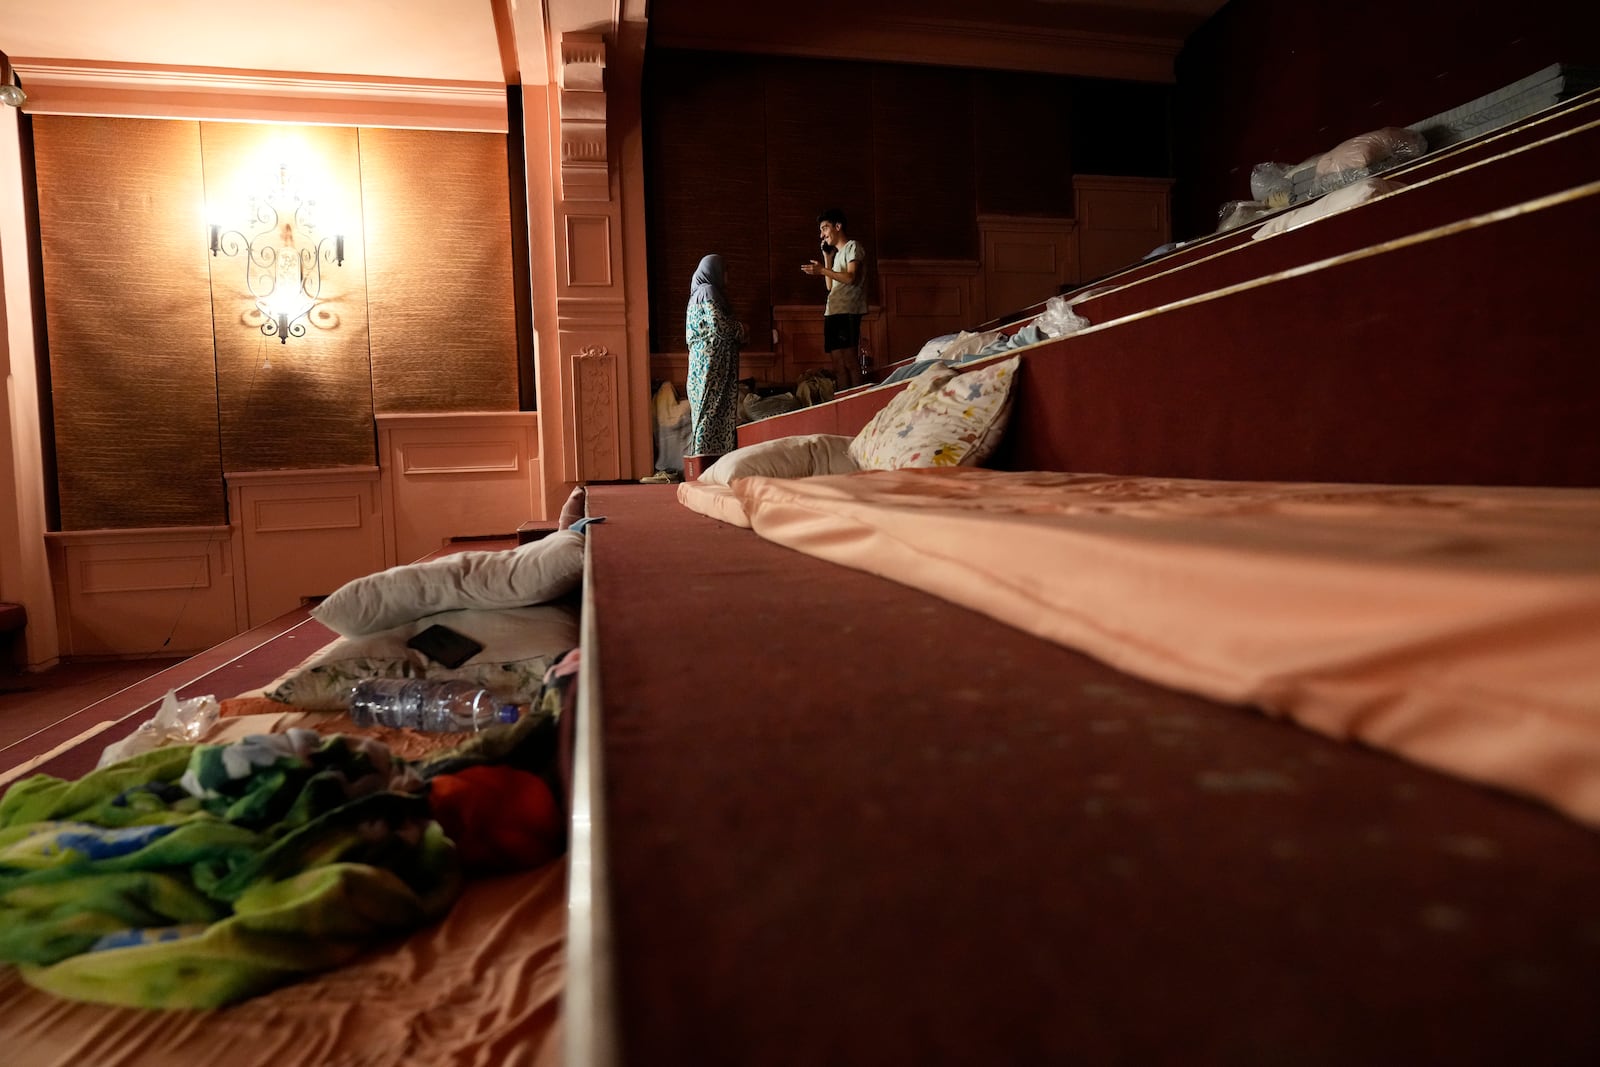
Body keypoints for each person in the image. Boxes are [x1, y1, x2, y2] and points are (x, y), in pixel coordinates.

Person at [684, 253, 746, 458]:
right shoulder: (708, 291)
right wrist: (742, 329)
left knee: (709, 413)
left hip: (706, 367)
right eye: (725, 270)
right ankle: (705, 465)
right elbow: (720, 326)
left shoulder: (698, 293)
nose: (727, 275)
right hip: (711, 367)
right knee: (710, 413)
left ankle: (708, 463)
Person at [800, 208, 866, 388]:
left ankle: (857, 401)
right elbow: (830, 286)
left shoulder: (853, 246)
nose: (822, 235)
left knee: (850, 361)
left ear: (838, 226)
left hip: (848, 312)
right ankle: (845, 403)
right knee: (838, 364)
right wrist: (827, 259)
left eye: (825, 228)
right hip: (833, 312)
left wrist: (821, 270)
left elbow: (851, 277)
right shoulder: (836, 255)